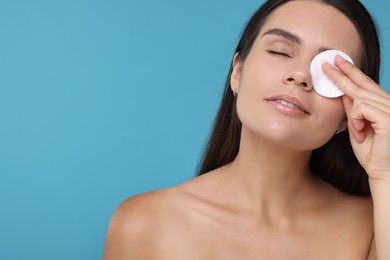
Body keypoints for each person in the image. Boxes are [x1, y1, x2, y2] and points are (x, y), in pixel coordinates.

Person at [103, 0, 390, 259]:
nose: (301, 75)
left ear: (347, 113)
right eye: (280, 51)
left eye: (329, 71)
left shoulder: (371, 228)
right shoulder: (145, 223)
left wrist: (385, 173)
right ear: (237, 73)